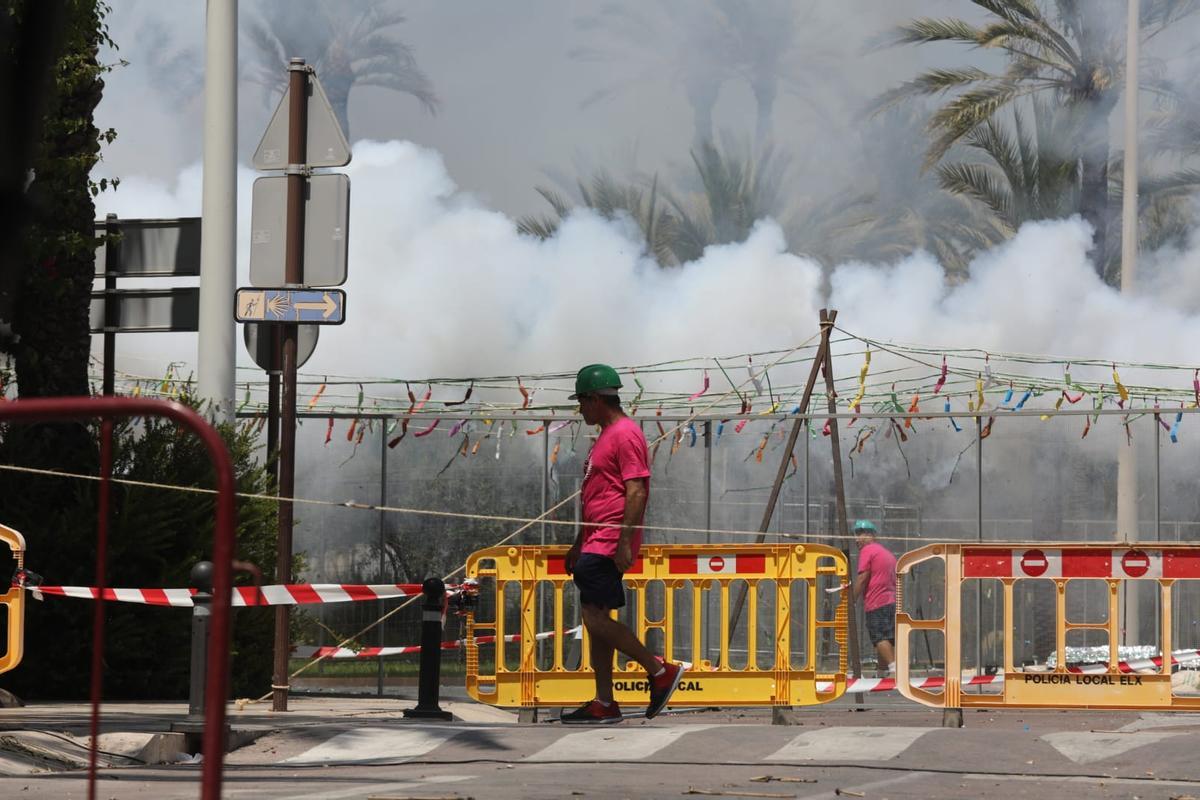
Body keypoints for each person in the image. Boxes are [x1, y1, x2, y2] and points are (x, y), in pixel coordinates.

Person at [561, 363, 686, 724]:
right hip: (595, 539)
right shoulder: (605, 436)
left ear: (597, 399)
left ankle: (658, 670)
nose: (580, 410)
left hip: (610, 539)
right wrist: (577, 542)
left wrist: (625, 542)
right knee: (596, 617)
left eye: (582, 402)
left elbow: (636, 489)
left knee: (593, 617)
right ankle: (604, 701)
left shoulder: (626, 434)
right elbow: (595, 496)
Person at [851, 519, 897, 676]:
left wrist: (852, 599)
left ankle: (895, 670)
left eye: (860, 534)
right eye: (856, 535)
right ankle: (882, 671)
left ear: (871, 535)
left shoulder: (867, 551)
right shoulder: (887, 554)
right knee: (887, 638)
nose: (857, 539)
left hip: (876, 602)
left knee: (878, 637)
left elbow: (863, 578)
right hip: (890, 602)